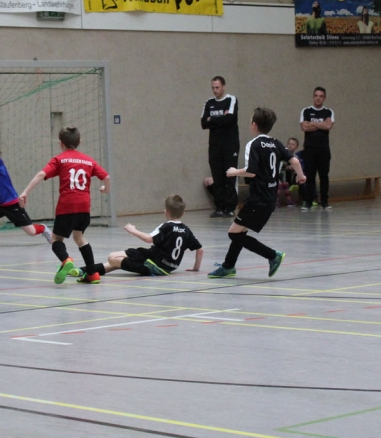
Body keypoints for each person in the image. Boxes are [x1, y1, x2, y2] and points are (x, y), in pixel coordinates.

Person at [209, 107, 305, 279]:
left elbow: (251, 172)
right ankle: (228, 265)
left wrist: (234, 171)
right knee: (240, 231)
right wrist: (301, 176)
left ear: (253, 124)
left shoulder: (253, 144)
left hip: (258, 199)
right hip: (269, 198)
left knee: (233, 233)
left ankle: (272, 255)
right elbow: (295, 160)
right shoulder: (276, 143)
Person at [19, 127, 110, 284]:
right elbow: (106, 177)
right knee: (79, 237)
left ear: (61, 143)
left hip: (67, 206)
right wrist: (105, 189)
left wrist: (25, 192)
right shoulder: (89, 160)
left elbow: (41, 174)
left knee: (56, 239)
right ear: (79, 142)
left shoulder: (60, 159)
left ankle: (66, 260)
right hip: (84, 206)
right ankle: (92, 273)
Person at [75, 195, 203, 279]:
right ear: (183, 213)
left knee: (112, 258)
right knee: (117, 262)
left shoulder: (166, 227)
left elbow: (148, 239)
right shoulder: (186, 231)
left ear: (166, 212)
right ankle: (83, 270)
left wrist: (133, 230)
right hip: (167, 267)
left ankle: (86, 270)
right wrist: (195, 268)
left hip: (153, 263)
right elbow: (200, 249)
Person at [201, 76, 239, 217]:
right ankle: (219, 207)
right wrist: (220, 119)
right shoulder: (209, 103)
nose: (215, 90)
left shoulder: (231, 100)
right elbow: (204, 123)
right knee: (217, 176)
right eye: (213, 88)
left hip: (230, 144)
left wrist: (213, 119)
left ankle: (230, 207)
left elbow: (230, 119)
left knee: (229, 175)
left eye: (217, 87)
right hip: (214, 144)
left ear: (223, 86)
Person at [300, 87, 334, 210]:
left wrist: (312, 123)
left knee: (324, 176)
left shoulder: (328, 112)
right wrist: (321, 124)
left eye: (320, 96)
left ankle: (324, 201)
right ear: (313, 97)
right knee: (310, 175)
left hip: (323, 149)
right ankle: (309, 202)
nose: (318, 98)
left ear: (324, 98)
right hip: (309, 149)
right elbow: (304, 127)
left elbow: (328, 126)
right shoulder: (306, 111)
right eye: (316, 95)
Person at [277, 137, 303, 207]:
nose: (290, 146)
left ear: (296, 147)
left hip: (288, 177)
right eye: (289, 144)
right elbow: (279, 166)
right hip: (278, 175)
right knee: (279, 185)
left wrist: (294, 169)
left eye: (292, 144)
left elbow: (297, 168)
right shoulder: (282, 154)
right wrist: (286, 167)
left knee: (286, 184)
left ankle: (289, 200)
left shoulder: (295, 157)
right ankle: (276, 201)